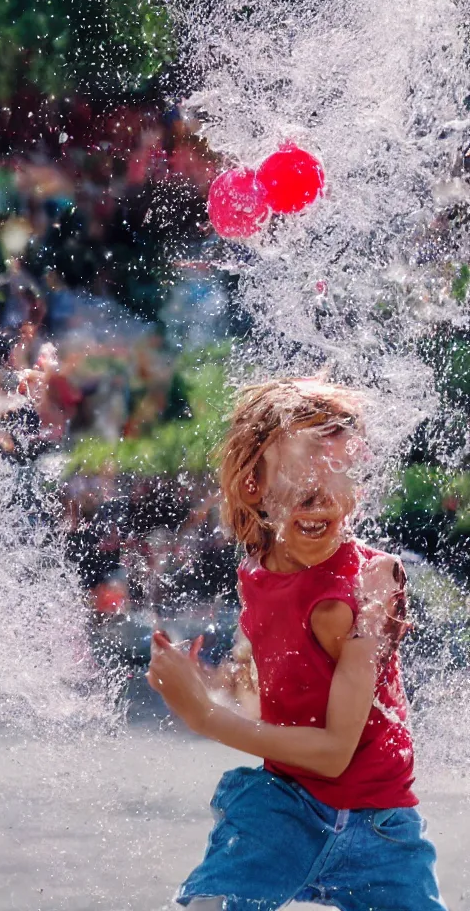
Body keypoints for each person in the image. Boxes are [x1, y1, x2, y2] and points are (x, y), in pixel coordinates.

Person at [147, 378, 445, 911]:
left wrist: (202, 715)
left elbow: (334, 753)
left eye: (340, 476)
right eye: (303, 473)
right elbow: (279, 686)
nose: (320, 497)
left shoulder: (369, 589)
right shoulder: (256, 572)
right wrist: (209, 685)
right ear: (253, 484)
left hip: (381, 830)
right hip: (283, 806)